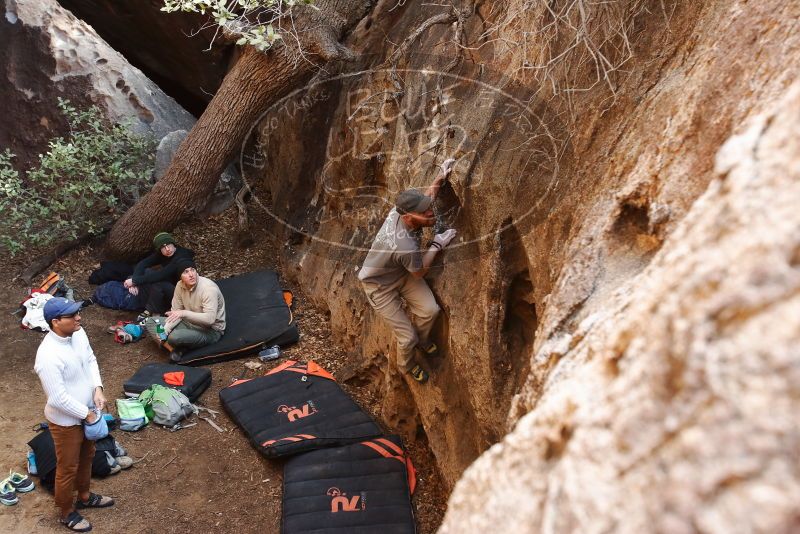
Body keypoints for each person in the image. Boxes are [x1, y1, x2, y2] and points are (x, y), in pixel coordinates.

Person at [358, 159, 459, 383]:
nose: (431, 214)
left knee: (430, 311)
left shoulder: (401, 211)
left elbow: (423, 202)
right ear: (408, 218)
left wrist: (439, 178)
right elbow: (419, 272)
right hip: (379, 286)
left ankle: (423, 341)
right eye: (426, 214)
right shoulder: (403, 245)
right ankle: (407, 365)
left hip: (399, 271)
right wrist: (436, 245)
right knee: (406, 338)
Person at [34, 298, 114, 532]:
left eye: (78, 312)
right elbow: (57, 399)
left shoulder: (78, 334)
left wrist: (97, 388)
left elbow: (90, 360)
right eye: (72, 315)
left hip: (88, 412)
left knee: (88, 455)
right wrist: (86, 414)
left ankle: (85, 497)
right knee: (68, 466)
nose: (79, 317)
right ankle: (66, 511)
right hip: (66, 422)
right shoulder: (47, 356)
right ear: (56, 322)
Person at [164, 258, 226, 362]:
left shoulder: (208, 289)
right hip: (189, 323)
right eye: (186, 272)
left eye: (192, 270)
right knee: (152, 323)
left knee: (174, 337)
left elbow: (210, 320)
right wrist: (166, 328)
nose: (191, 274)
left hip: (210, 330)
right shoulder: (179, 286)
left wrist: (183, 313)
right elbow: (176, 312)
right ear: (180, 277)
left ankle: (177, 344)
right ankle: (177, 346)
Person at [123, 232, 194, 320]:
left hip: (182, 295)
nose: (167, 249)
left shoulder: (182, 256)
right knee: (148, 272)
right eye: (163, 247)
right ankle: (153, 308)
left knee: (158, 282)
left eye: (169, 245)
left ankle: (153, 311)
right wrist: (134, 280)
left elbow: (161, 274)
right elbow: (142, 264)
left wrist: (135, 281)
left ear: (174, 244)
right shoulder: (162, 254)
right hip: (169, 288)